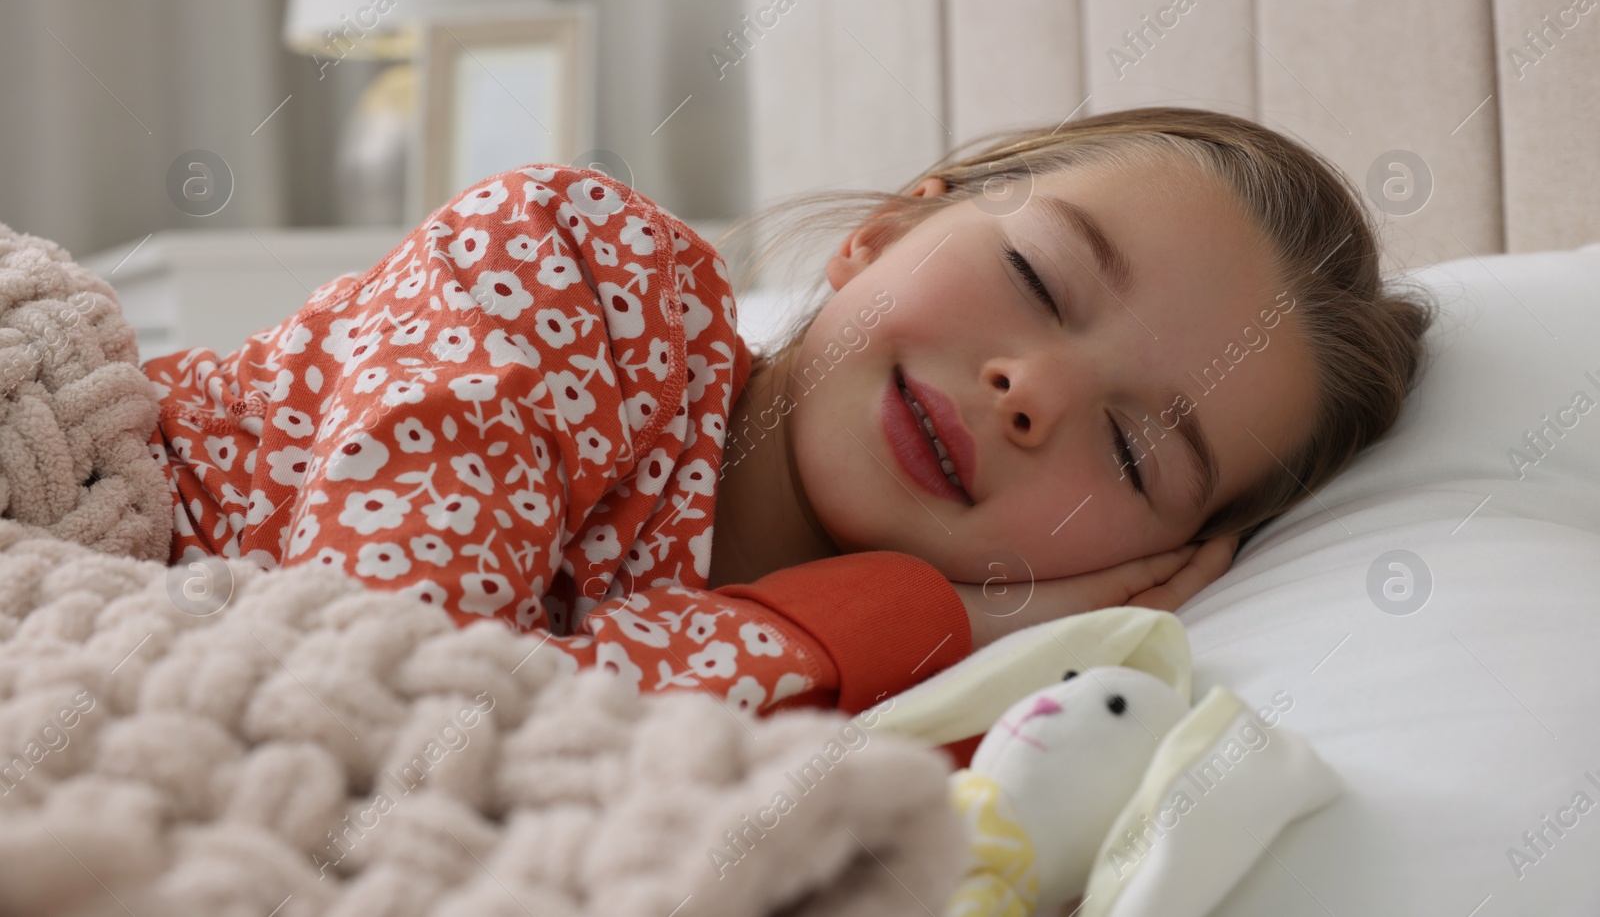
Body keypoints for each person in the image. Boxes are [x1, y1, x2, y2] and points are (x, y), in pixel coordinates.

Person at [142, 106, 1433, 719]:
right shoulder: (576, 268)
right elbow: (371, 694)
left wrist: (922, 644)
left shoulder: (900, 725)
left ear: (1142, 571)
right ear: (884, 234)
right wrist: (904, 612)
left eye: (1134, 449)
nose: (1031, 392)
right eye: (1038, 277)